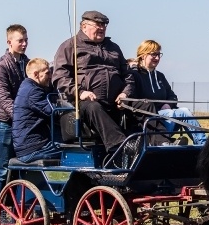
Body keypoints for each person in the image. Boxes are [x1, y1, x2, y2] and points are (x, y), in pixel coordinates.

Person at [51, 11, 170, 159]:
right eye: (98, 25)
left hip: (115, 101)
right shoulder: (70, 46)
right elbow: (60, 77)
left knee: (145, 104)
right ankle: (121, 146)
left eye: (104, 25)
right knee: (94, 107)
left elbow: (128, 75)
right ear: (84, 26)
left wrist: (125, 93)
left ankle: (163, 144)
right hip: (83, 103)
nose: (102, 28)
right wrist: (80, 92)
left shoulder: (113, 48)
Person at [131, 40, 206, 145]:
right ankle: (164, 141)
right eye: (153, 54)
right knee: (178, 112)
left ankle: (203, 144)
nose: (157, 58)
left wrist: (168, 104)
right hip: (148, 119)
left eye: (159, 55)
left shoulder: (160, 76)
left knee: (184, 111)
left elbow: (172, 96)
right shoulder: (134, 75)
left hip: (166, 115)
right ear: (143, 55)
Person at [0, 24, 29, 216]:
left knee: (21, 168)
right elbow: (3, 97)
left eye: (26, 40)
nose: (24, 44)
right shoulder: (1, 67)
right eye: (20, 40)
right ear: (9, 42)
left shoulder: (26, 63)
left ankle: (18, 211)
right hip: (6, 123)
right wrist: (21, 118)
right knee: (4, 168)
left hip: (23, 125)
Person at [12, 58, 61, 163]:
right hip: (32, 149)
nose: (50, 76)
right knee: (73, 151)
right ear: (36, 74)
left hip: (29, 146)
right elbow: (53, 112)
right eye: (47, 73)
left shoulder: (27, 87)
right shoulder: (33, 91)